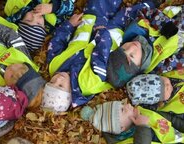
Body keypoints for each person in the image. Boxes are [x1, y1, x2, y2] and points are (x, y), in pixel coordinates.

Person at [47, 0, 183, 108]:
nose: (58, 79)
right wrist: (103, 33)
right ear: (70, 93)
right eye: (60, 86)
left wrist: (69, 26)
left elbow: (56, 43)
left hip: (89, 23)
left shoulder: (55, 66)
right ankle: (151, 3)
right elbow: (101, 56)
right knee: (129, 14)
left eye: (52, 81)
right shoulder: (87, 84)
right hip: (110, 37)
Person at [4, 0, 75, 52]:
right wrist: (52, 7)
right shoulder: (53, 23)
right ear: (44, 28)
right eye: (38, 23)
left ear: (20, 21)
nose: (34, 16)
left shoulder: (17, 12)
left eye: (28, 20)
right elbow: (70, 8)